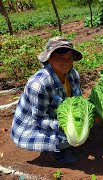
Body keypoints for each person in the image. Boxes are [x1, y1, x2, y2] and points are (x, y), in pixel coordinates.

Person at [10, 36, 83, 166]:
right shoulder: (39, 84)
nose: (66, 62)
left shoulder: (73, 74)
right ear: (49, 59)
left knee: (81, 130)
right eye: (60, 58)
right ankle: (58, 152)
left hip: (55, 115)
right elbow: (38, 119)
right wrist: (65, 125)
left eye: (69, 58)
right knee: (67, 138)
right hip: (31, 125)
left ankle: (64, 140)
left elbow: (78, 101)